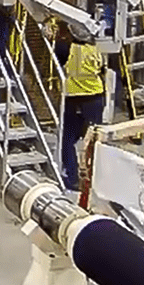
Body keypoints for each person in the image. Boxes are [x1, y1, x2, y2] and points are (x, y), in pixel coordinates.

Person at [53, 26, 111, 193]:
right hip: (96, 98)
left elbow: (55, 57)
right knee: (95, 142)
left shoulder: (66, 48)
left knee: (67, 141)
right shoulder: (97, 49)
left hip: (75, 99)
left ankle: (73, 178)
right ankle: (96, 179)